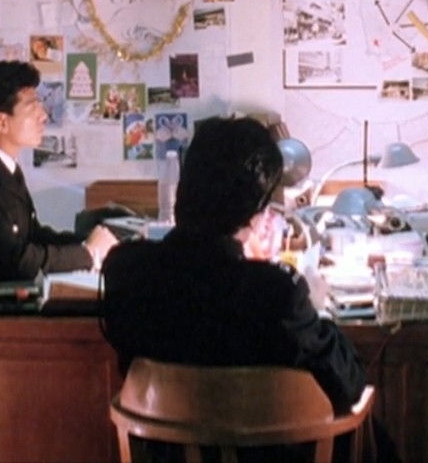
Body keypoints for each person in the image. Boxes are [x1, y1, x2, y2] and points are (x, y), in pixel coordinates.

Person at [101, 117, 371, 459]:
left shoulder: (125, 270)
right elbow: (350, 383)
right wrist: (313, 307)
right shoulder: (277, 294)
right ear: (257, 213)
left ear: (184, 187)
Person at [0, 60, 117, 366]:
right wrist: (87, 254)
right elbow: (16, 261)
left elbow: (33, 234)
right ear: (1, 122)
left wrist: (92, 243)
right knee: (89, 348)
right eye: (32, 107)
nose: (43, 115)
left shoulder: (0, 166)